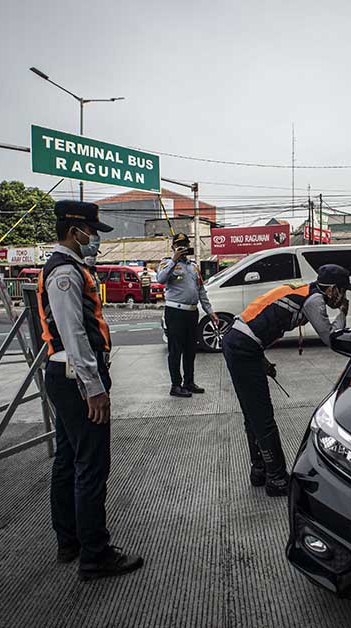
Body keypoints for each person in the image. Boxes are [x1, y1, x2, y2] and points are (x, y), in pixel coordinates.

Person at [37, 200, 143, 581]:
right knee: (91, 466)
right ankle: (95, 555)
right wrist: (93, 386)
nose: (94, 238)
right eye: (92, 231)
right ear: (74, 230)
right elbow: (74, 333)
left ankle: (70, 541)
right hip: (75, 375)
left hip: (66, 374)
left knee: (68, 459)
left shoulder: (71, 268)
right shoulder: (64, 272)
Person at [222, 264, 351, 497]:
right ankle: (277, 479)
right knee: (262, 416)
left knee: (252, 413)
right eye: (343, 291)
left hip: (241, 342)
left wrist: (260, 360)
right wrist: (343, 312)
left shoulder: (305, 290)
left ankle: (260, 470)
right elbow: (332, 339)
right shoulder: (314, 300)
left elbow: (255, 321)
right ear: (332, 289)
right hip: (243, 346)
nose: (344, 297)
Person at [154, 233, 218, 397]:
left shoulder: (193, 266)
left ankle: (188, 382)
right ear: (173, 247)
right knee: (176, 350)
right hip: (175, 312)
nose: (182, 248)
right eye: (179, 245)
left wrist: (210, 311)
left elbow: (201, 290)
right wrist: (174, 260)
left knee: (190, 350)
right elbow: (161, 279)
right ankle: (175, 385)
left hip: (192, 313)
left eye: (184, 245)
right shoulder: (166, 263)